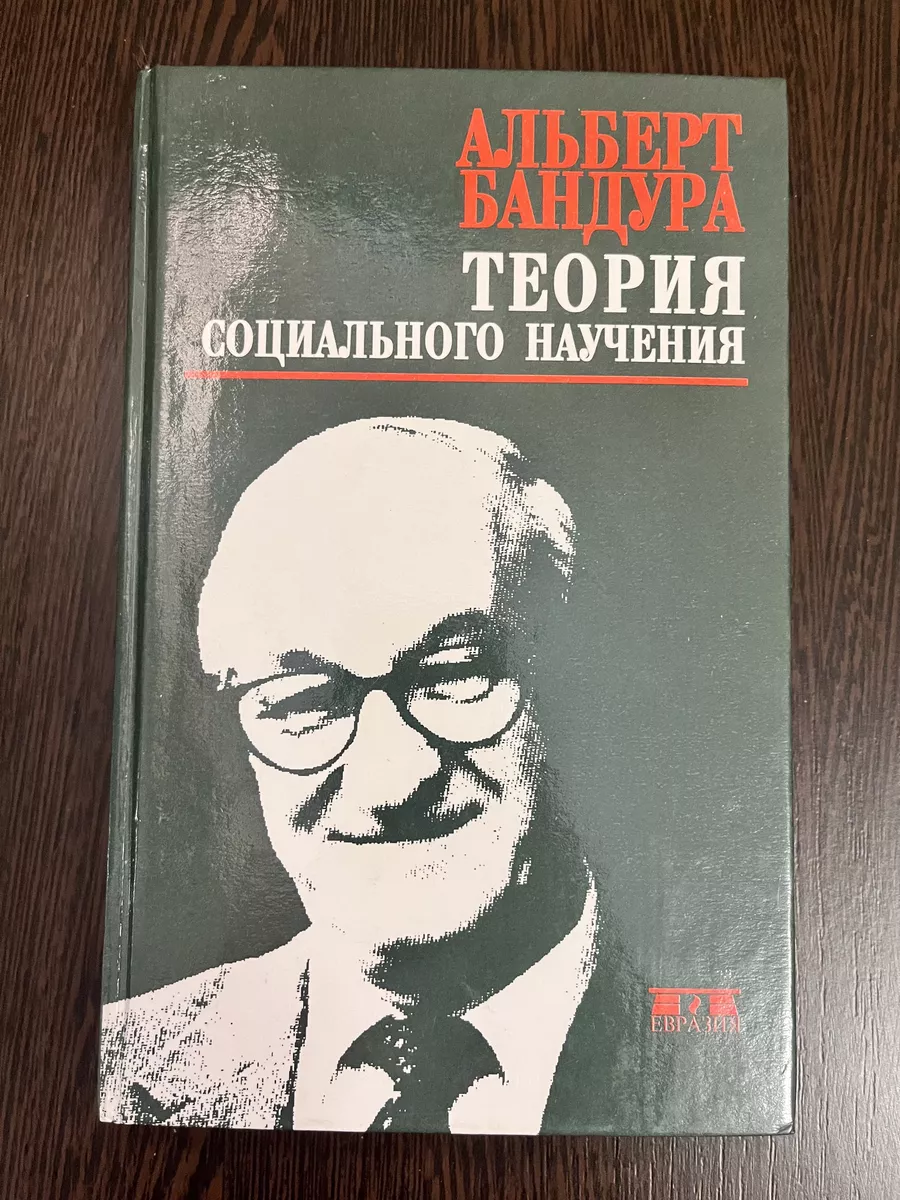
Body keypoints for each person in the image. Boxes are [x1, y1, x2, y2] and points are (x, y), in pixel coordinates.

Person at [100, 416, 657, 1133]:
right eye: (304, 701)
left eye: (453, 673)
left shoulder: (729, 1050)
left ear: (575, 685)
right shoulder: (115, 1065)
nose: (392, 784)